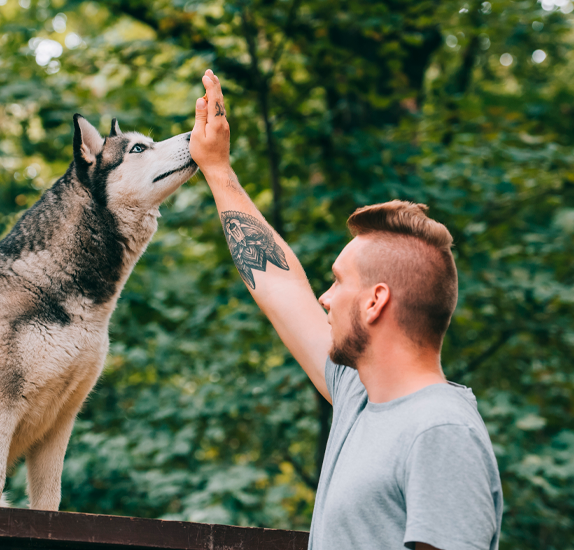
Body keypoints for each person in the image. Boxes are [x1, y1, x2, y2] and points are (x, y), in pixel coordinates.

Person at [189, 70, 503, 550]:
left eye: (337, 282)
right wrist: (217, 168)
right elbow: (279, 282)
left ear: (376, 301)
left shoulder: (440, 431)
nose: (324, 297)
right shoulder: (360, 396)